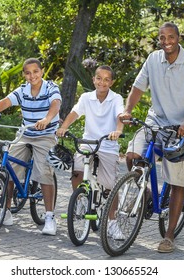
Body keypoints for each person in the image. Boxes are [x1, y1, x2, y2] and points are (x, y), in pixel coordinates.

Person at [119, 22, 184, 253]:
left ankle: (169, 235)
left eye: (170, 36)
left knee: (176, 180)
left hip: (182, 128)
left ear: (178, 38)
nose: (166, 41)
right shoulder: (153, 59)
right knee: (132, 155)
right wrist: (128, 109)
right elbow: (138, 87)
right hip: (156, 121)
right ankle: (147, 193)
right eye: (162, 37)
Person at [0, 58, 61, 235]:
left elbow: (56, 104)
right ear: (24, 75)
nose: (32, 76)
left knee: (44, 172)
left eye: (36, 72)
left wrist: (47, 119)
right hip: (25, 134)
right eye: (28, 73)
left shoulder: (51, 87)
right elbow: (5, 102)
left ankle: (49, 217)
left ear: (42, 71)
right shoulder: (22, 90)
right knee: (8, 169)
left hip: (45, 135)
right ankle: (5, 212)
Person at [56, 65, 124, 239]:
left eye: (107, 79)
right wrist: (64, 127)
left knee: (110, 186)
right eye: (99, 78)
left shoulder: (116, 98)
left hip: (107, 145)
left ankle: (112, 223)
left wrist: (117, 130)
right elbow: (75, 113)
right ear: (94, 79)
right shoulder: (86, 97)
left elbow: (120, 116)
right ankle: (79, 201)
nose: (102, 82)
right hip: (88, 143)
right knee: (77, 170)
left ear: (112, 82)